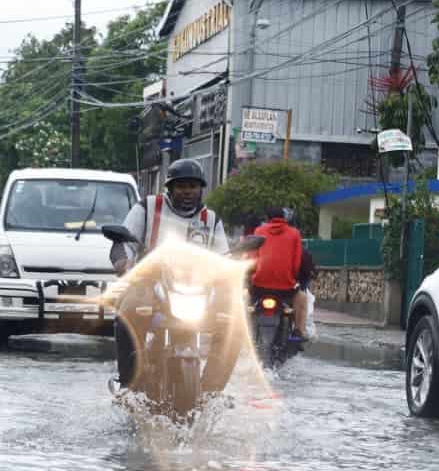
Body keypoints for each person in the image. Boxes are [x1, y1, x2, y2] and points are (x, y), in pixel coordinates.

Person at [110, 159, 234, 391]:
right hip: (148, 284)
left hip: (197, 289)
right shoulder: (146, 207)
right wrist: (123, 262)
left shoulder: (212, 220)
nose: (187, 192)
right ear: (170, 188)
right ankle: (128, 384)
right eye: (181, 186)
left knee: (233, 322)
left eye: (193, 186)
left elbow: (223, 257)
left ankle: (212, 390)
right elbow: (123, 241)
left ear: (201, 189)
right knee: (125, 315)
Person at [248, 206, 307, 341]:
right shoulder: (294, 234)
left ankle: (240, 329)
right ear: (284, 218)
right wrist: (292, 277)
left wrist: (253, 274)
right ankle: (298, 330)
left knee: (243, 297)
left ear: (267, 219)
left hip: (259, 286)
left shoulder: (258, 231)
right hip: (285, 288)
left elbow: (252, 259)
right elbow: (296, 262)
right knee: (302, 298)